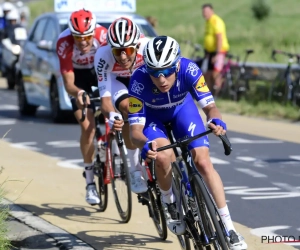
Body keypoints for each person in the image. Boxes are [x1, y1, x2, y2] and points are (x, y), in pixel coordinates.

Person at [128, 36, 247, 250]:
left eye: (166, 71)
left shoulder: (189, 69)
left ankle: (230, 229)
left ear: (177, 65)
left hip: (183, 112)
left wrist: (215, 119)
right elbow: (135, 131)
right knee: (164, 156)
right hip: (153, 120)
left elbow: (210, 107)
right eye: (155, 73)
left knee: (202, 162)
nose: (161, 79)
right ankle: (169, 202)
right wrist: (145, 144)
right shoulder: (138, 80)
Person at [56, 9, 107, 205]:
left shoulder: (103, 36)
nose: (83, 42)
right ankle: (90, 183)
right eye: (78, 37)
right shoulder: (64, 42)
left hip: (99, 72)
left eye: (86, 36)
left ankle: (118, 151)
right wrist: (78, 93)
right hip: (78, 79)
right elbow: (69, 83)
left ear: (93, 32)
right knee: (88, 127)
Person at [93, 17, 150, 194]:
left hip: (140, 77)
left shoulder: (147, 48)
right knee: (128, 109)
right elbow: (106, 102)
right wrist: (112, 115)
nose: (123, 56)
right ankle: (134, 169)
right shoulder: (103, 56)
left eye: (127, 49)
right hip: (117, 81)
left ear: (136, 45)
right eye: (118, 51)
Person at [202, 3, 229, 97]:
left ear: (211, 11)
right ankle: (208, 95)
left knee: (215, 74)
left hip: (219, 51)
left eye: (206, 11)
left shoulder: (215, 21)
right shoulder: (208, 22)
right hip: (210, 52)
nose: (204, 14)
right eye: (203, 12)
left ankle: (218, 94)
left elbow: (219, 38)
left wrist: (217, 54)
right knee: (207, 74)